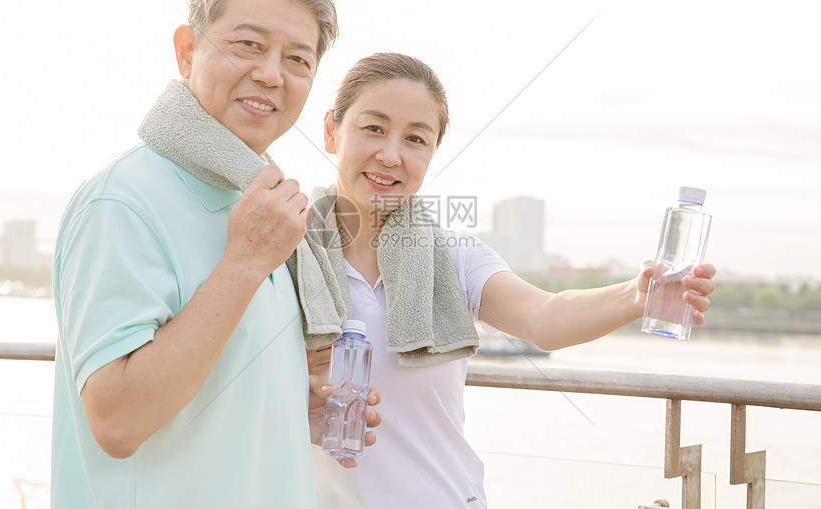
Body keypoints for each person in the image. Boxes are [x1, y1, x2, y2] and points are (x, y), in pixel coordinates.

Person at [307, 52, 717, 508]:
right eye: (373, 128)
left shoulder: (456, 258)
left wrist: (636, 294)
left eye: (416, 139)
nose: (391, 155)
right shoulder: (283, 255)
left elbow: (544, 318)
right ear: (331, 131)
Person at [50, 0, 378, 508]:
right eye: (248, 44)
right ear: (186, 50)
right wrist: (244, 263)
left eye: (298, 59)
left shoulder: (262, 204)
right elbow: (118, 419)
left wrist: (297, 410)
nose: (271, 73)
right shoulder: (122, 201)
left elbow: (210, 380)